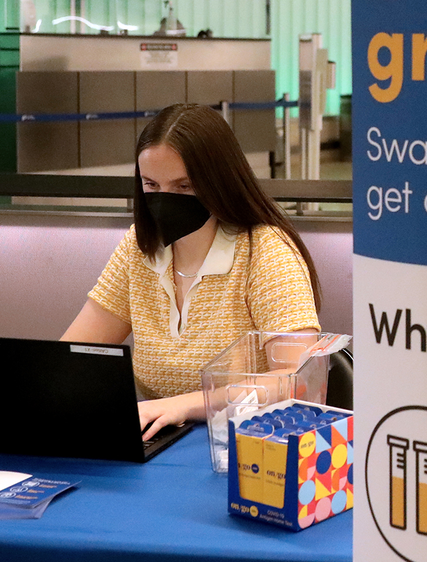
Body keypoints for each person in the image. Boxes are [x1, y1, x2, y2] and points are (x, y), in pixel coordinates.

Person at [63, 103, 321, 439]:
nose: (165, 199)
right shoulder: (139, 247)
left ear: (219, 182)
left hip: (247, 443)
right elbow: (72, 356)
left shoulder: (265, 250)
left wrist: (184, 406)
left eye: (183, 187)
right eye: (151, 185)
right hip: (159, 439)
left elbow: (296, 379)